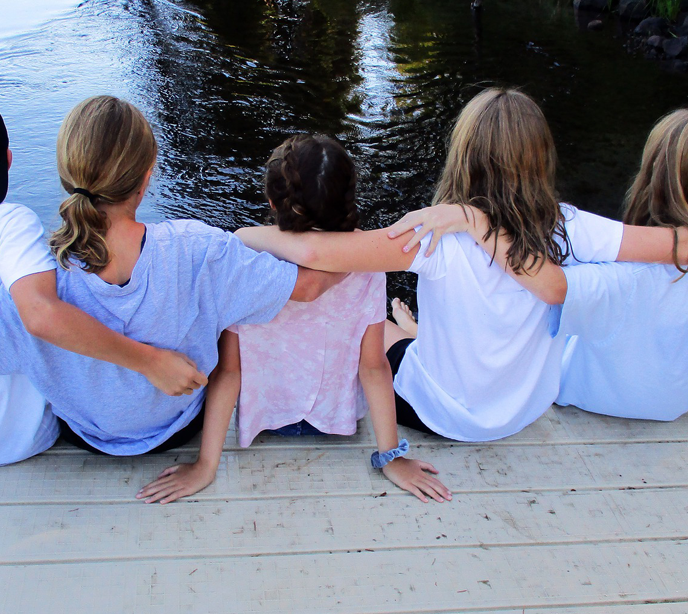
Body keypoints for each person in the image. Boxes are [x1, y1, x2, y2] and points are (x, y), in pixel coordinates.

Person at [235, 88, 688, 442]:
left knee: (376, 333)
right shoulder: (570, 225)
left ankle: (410, 336)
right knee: (402, 326)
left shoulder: (434, 239)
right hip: (520, 414)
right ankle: (415, 334)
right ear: (540, 157)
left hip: (438, 415)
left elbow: (315, 255)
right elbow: (676, 246)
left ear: (464, 155)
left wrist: (242, 235)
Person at [0, 97, 337, 481]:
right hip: (179, 427)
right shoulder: (198, 249)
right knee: (226, 302)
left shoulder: (31, 281)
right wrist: (359, 242)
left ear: (66, 172)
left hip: (87, 433)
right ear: (147, 175)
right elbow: (309, 286)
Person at [137, 135, 452, 504]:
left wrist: (207, 465)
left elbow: (230, 372)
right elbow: (373, 368)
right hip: (338, 423)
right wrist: (391, 458)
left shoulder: (245, 262)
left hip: (272, 421)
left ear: (273, 202)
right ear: (348, 199)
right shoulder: (368, 266)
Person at [423, 109, 688, 421]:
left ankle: (417, 334)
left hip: (597, 395)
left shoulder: (622, 276)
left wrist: (475, 220)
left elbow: (552, 286)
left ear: (651, 175)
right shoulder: (598, 244)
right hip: (678, 398)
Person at [0, 112, 208, 466]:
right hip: (25, 441)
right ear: (148, 173)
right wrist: (150, 362)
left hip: (79, 429)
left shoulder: (44, 269)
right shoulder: (202, 248)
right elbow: (40, 314)